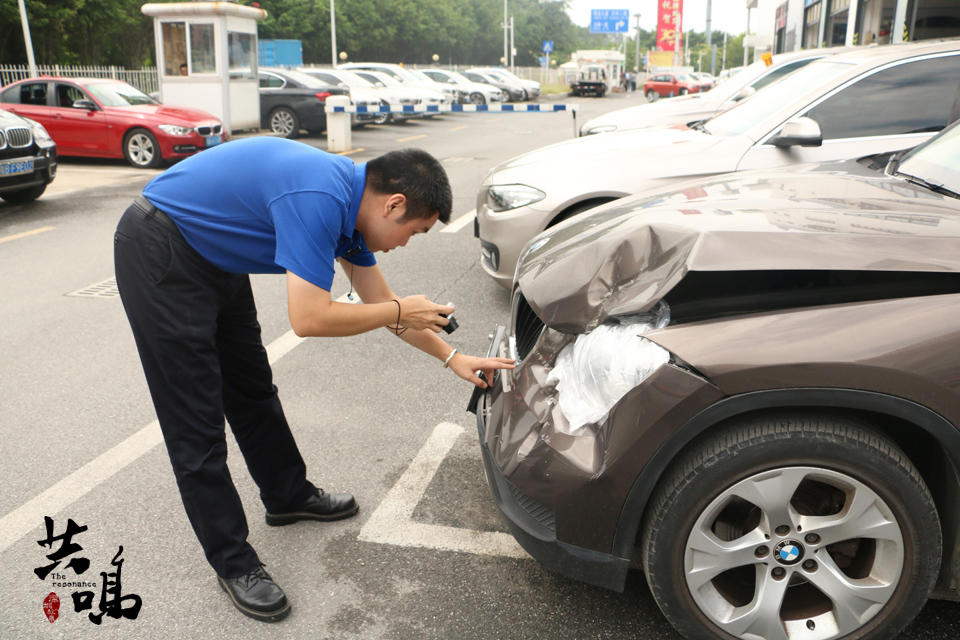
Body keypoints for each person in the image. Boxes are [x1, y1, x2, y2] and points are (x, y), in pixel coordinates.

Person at [113, 137, 515, 623]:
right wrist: (397, 309)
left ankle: (287, 495)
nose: (405, 243)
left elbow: (384, 308)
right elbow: (309, 318)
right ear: (394, 204)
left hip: (215, 258)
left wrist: (453, 356)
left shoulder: (351, 211)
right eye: (415, 231)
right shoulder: (319, 199)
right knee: (194, 423)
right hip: (161, 248)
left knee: (252, 390)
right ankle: (234, 563)